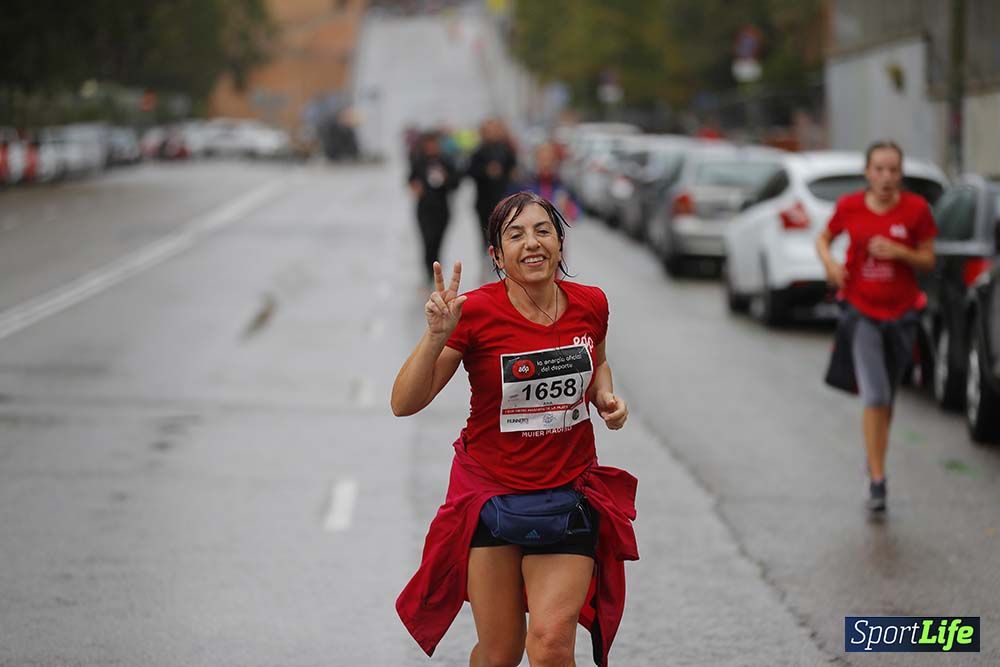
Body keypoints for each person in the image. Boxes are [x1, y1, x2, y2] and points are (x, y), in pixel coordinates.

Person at [392, 191, 638, 666]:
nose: (532, 243)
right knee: (501, 651)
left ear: (560, 245)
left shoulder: (591, 303)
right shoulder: (476, 313)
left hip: (567, 493)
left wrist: (604, 397)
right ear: (497, 255)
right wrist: (435, 336)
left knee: (549, 643)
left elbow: (598, 362)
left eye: (544, 230)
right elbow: (405, 403)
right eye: (515, 234)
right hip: (491, 496)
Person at [815, 140, 936, 513]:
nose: (886, 177)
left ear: (900, 175)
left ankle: (874, 458)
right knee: (876, 395)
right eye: (879, 169)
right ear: (867, 173)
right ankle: (878, 480)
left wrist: (900, 252)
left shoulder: (916, 210)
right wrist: (831, 266)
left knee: (889, 398)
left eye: (893, 170)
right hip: (861, 311)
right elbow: (823, 238)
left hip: (901, 315)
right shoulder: (849, 206)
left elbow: (929, 260)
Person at [408, 130, 461, 283]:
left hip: (442, 208)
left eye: (434, 144)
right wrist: (415, 187)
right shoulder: (419, 161)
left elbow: (456, 182)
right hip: (424, 209)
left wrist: (446, 179)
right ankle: (428, 271)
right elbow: (411, 180)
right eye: (428, 144)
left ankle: (435, 269)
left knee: (438, 240)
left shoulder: (446, 161)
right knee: (427, 240)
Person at [467, 118, 518, 249]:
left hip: (504, 200)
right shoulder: (478, 152)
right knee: (486, 235)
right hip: (484, 202)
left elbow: (514, 170)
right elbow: (470, 172)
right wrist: (486, 171)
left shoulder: (505, 150)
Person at [516, 142, 578, 222]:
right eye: (542, 160)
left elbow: (577, 213)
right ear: (535, 161)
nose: (546, 164)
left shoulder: (563, 186)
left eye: (550, 160)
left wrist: (568, 207)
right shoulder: (525, 185)